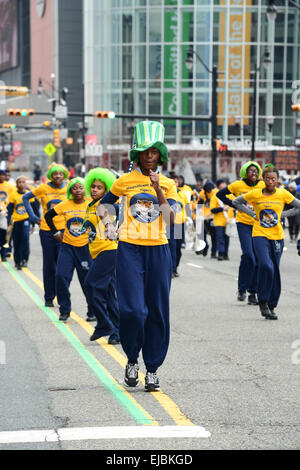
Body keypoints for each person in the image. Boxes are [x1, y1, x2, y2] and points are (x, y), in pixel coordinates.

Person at [97, 121, 177, 392]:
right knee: (132, 310)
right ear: (138, 155)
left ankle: (152, 369)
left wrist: (158, 189)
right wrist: (108, 225)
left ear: (160, 155)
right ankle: (132, 359)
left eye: (153, 151)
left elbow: (171, 219)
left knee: (156, 310)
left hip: (158, 248)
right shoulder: (125, 181)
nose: (149, 156)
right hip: (129, 247)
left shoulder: (168, 183)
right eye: (144, 152)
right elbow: (103, 205)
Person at [233, 164, 300, 320]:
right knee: (265, 265)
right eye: (268, 179)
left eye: (274, 179)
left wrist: (282, 215)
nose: (270, 182)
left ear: (277, 180)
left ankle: (271, 305)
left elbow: (298, 206)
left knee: (274, 269)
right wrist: (252, 214)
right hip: (259, 234)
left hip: (277, 236)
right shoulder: (255, 194)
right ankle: (262, 300)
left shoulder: (283, 194)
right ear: (263, 179)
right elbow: (236, 202)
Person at [44, 177, 94, 322]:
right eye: (75, 188)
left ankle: (92, 311)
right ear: (70, 190)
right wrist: (55, 232)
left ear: (85, 189)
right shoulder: (65, 205)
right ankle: (64, 310)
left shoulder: (91, 204)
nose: (78, 191)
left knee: (88, 281)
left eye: (81, 187)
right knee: (60, 277)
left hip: (85, 249)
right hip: (67, 247)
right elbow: (48, 216)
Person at [217, 161, 265, 305]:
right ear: (245, 172)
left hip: (259, 224)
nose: (254, 174)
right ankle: (242, 289)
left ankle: (253, 293)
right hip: (243, 223)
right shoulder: (238, 185)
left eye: (256, 171)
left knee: (258, 258)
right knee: (248, 255)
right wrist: (235, 204)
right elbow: (220, 194)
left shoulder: (262, 185)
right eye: (251, 171)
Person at [23, 164, 69, 307]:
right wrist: (33, 217)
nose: (58, 176)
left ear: (64, 175)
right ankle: (49, 297)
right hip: (46, 230)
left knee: (62, 266)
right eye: (55, 174)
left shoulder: (69, 188)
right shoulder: (43, 188)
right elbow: (26, 198)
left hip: (64, 231)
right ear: (50, 175)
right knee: (49, 265)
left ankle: (62, 297)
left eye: (60, 174)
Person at [83, 168, 120, 344]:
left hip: (109, 250)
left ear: (106, 192)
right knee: (108, 293)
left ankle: (104, 323)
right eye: (93, 187)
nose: (94, 190)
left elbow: (110, 220)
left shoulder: (106, 206)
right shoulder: (90, 205)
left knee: (91, 285)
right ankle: (117, 331)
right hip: (97, 252)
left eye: (99, 188)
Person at [7, 176, 39, 270]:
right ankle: (17, 261)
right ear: (16, 184)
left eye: (23, 182)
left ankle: (25, 259)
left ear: (26, 184)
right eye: (19, 182)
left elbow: (34, 210)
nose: (21, 184)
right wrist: (9, 224)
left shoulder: (29, 195)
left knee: (25, 239)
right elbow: (9, 211)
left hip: (26, 220)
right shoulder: (13, 195)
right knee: (16, 241)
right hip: (15, 220)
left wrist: (33, 224)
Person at [167, 174, 189, 277]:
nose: (174, 184)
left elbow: (187, 207)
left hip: (179, 224)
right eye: (172, 182)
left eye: (176, 182)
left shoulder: (182, 194)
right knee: (171, 246)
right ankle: (171, 270)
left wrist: (189, 219)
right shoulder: (166, 193)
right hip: (169, 224)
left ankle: (175, 267)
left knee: (178, 248)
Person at [210, 179, 235, 261]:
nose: (224, 185)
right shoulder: (215, 196)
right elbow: (212, 209)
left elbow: (235, 203)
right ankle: (220, 253)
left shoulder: (230, 195)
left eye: (224, 183)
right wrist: (222, 209)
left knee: (227, 238)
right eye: (222, 184)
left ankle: (225, 254)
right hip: (218, 221)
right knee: (220, 238)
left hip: (228, 220)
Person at [197, 179, 217, 257]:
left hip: (212, 216)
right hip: (203, 217)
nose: (209, 190)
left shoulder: (215, 193)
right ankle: (205, 247)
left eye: (210, 189)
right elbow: (198, 206)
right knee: (203, 235)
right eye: (207, 189)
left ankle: (214, 252)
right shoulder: (201, 193)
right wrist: (201, 201)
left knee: (214, 236)